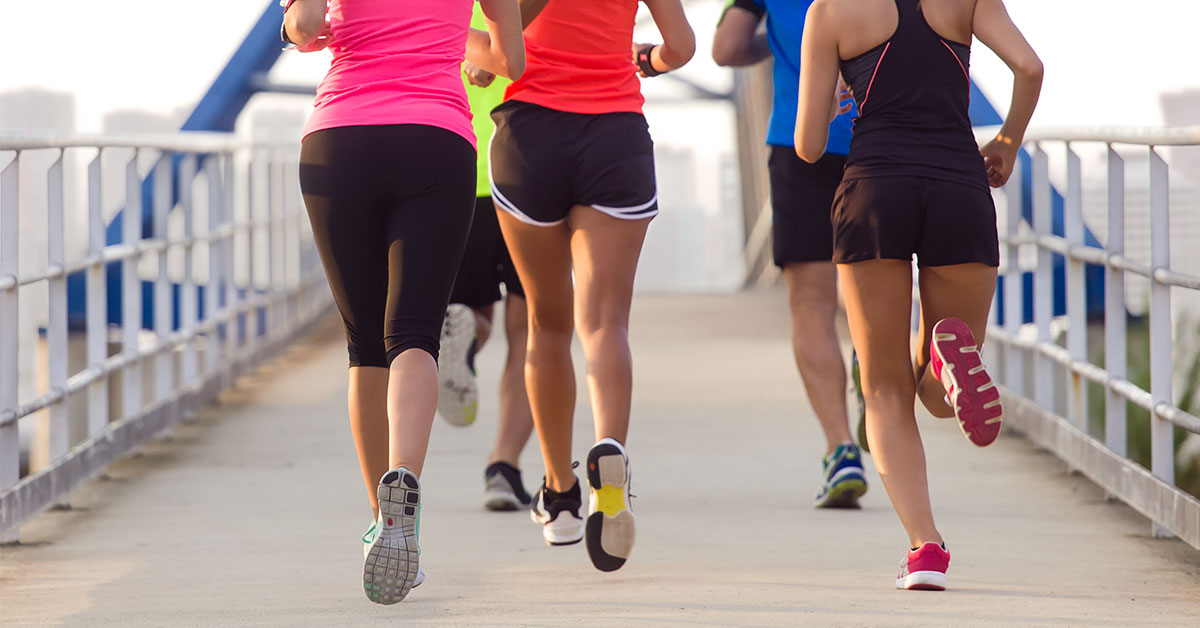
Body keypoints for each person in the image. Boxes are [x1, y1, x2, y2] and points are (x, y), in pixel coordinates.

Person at [283, 0, 525, 605]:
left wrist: (311, 30)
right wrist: (452, 42)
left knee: (365, 345)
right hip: (436, 141)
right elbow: (509, 59)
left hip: (340, 141)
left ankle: (387, 524)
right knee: (413, 335)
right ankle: (405, 483)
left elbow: (306, 26)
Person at [794, 0, 1042, 590]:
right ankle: (942, 359)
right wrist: (1006, 138)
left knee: (881, 386)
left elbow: (806, 145)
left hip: (874, 191)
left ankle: (925, 548)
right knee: (935, 394)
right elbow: (1030, 68)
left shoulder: (829, 11)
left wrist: (832, 100)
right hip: (961, 188)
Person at [488, 0, 695, 572]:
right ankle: (610, 450)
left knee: (545, 324)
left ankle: (559, 496)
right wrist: (643, 61)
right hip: (615, 136)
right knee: (605, 322)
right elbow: (681, 46)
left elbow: (492, 52)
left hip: (531, 136)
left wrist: (482, 60)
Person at [712, 0, 868, 509]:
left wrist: (783, 42)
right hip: (879, 141)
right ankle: (872, 359)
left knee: (810, 307)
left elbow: (727, 48)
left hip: (801, 143)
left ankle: (841, 449)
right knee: (874, 294)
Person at [434, 0, 549, 513]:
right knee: (532, 330)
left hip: (462, 161)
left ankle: (468, 339)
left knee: (475, 311)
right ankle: (503, 466)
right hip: (530, 158)